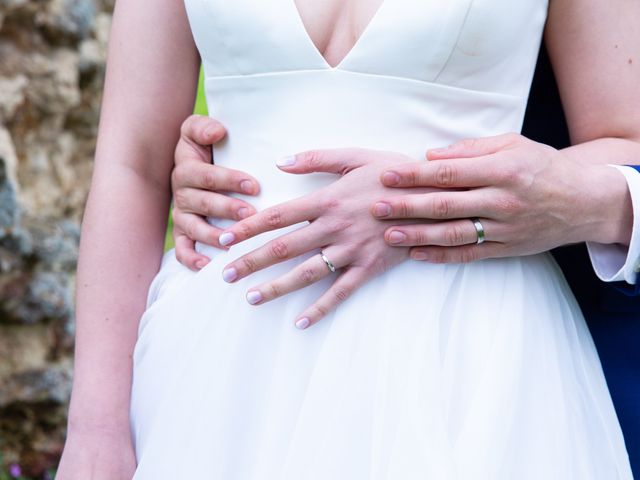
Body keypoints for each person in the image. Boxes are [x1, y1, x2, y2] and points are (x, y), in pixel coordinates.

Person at [57, 0, 639, 478]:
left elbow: (625, 142)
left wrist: (422, 198)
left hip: (467, 341)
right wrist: (95, 428)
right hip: (217, 344)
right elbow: (132, 166)